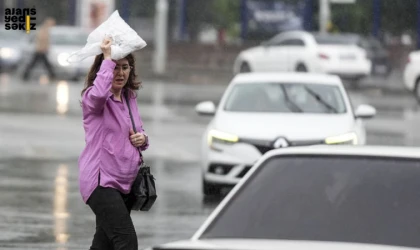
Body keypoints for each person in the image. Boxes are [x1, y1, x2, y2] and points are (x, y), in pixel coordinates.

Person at [78, 37, 149, 250]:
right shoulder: (94, 99)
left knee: (104, 244)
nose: (120, 73)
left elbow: (139, 132)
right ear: (103, 71)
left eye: (125, 67)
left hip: (125, 183)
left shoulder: (129, 98)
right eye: (114, 68)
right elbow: (100, 93)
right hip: (101, 183)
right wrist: (107, 57)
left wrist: (143, 139)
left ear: (131, 70)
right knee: (126, 241)